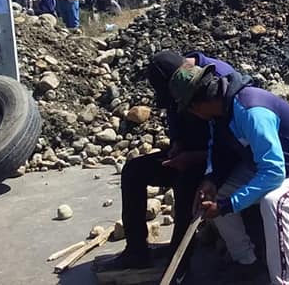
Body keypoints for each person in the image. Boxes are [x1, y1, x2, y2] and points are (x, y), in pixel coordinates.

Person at [170, 64, 289, 285]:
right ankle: (246, 263)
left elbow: (273, 172)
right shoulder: (220, 112)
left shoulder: (251, 110)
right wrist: (210, 179)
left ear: (197, 105)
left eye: (190, 109)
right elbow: (216, 148)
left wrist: (227, 206)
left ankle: (283, 282)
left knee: (275, 202)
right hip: (268, 166)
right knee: (217, 194)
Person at [98, 52, 236, 281]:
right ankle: (136, 252)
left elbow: (230, 147)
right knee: (134, 171)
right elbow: (173, 117)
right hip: (188, 154)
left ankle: (178, 265)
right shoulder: (178, 86)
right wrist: (177, 145)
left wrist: (193, 158)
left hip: (218, 162)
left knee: (186, 186)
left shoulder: (217, 81)